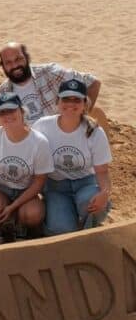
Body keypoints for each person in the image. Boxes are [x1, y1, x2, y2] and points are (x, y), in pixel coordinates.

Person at [33, 80, 112, 235]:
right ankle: (59, 213)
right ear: (57, 102)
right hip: (56, 187)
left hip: (85, 184)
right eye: (66, 99)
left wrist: (104, 193)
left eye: (76, 100)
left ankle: (87, 224)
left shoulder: (94, 131)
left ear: (85, 104)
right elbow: (29, 153)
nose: (71, 104)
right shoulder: (42, 126)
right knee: (60, 230)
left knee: (89, 201)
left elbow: (102, 171)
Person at [0, 93, 53, 243]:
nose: (8, 116)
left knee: (33, 214)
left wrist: (13, 207)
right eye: (2, 113)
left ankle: (20, 224)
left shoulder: (39, 142)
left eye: (12, 110)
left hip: (25, 192)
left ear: (22, 112)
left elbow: (39, 181)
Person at [0, 42, 101, 125]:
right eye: (8, 62)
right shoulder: (2, 93)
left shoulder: (50, 73)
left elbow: (93, 83)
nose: (14, 65)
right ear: (3, 66)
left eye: (18, 59)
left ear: (27, 58)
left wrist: (82, 119)